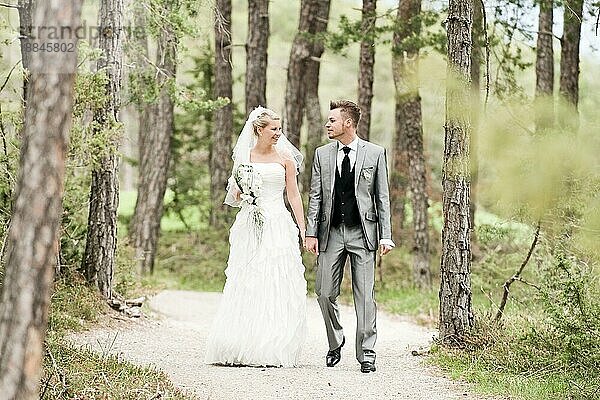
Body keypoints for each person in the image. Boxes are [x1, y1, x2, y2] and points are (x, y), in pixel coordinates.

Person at [204, 106, 307, 367]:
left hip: (278, 223)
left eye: (279, 128)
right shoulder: (245, 158)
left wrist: (303, 228)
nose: (278, 133)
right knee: (248, 277)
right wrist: (245, 194)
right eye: (274, 128)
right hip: (251, 222)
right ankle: (241, 342)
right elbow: (235, 195)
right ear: (259, 130)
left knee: (275, 277)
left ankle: (272, 345)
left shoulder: (286, 159)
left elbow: (293, 195)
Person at [305, 100, 394, 373]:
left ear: (348, 123)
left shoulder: (375, 153)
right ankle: (335, 342)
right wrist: (310, 233)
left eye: (332, 120)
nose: (327, 124)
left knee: (365, 296)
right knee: (323, 293)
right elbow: (316, 196)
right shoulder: (322, 154)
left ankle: (367, 352)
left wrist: (385, 236)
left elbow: (382, 197)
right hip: (330, 234)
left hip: (363, 233)